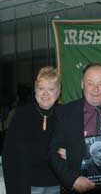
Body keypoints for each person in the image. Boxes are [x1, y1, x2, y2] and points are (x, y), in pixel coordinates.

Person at [49, 63, 101, 193]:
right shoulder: (65, 113)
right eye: (90, 83)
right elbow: (53, 153)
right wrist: (73, 180)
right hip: (80, 188)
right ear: (82, 84)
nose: (95, 89)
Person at [2, 66, 61, 194]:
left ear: (58, 93)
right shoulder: (21, 115)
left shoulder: (65, 115)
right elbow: (9, 157)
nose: (45, 93)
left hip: (59, 185)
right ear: (35, 91)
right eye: (41, 88)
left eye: (51, 89)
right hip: (27, 186)